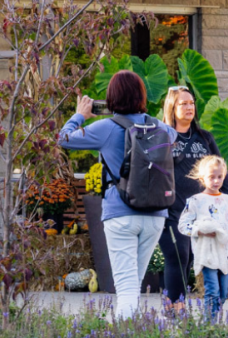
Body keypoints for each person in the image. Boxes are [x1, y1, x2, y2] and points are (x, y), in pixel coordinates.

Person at [59, 71, 176, 317]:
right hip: (156, 215)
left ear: (112, 98)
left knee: (125, 286)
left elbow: (64, 138)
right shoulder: (158, 126)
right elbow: (173, 135)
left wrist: (80, 114)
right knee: (134, 281)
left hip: (121, 214)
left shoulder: (106, 127)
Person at [159, 86, 228, 303]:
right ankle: (175, 307)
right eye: (183, 103)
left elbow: (223, 174)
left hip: (203, 212)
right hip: (171, 210)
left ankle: (203, 308)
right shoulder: (163, 137)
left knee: (197, 258)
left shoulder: (205, 138)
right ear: (172, 108)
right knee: (178, 256)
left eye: (191, 103)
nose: (189, 107)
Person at [178, 155, 228, 320]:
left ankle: (214, 321)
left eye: (220, 177)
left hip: (224, 253)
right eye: (211, 177)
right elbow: (183, 225)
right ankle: (209, 325)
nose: (216, 181)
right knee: (212, 290)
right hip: (207, 253)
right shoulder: (195, 201)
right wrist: (200, 231)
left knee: (222, 293)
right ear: (202, 178)